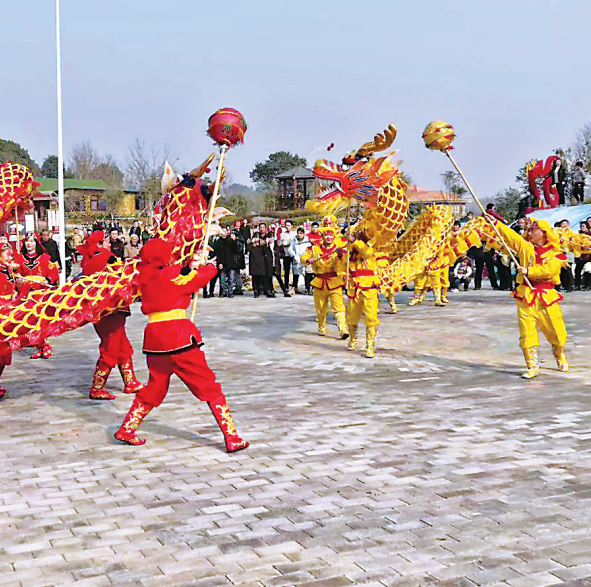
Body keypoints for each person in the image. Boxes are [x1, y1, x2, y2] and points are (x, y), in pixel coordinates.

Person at [113, 238, 249, 452]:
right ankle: (231, 436)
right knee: (209, 387)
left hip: (154, 340)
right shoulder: (172, 276)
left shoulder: (144, 279)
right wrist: (211, 265)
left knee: (155, 387)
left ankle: (128, 428)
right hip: (178, 338)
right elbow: (200, 279)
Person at [488, 219, 569, 378]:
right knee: (527, 332)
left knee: (557, 332)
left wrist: (528, 270)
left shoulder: (555, 253)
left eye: (534, 230)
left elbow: (549, 270)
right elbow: (512, 237)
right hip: (526, 295)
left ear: (544, 233)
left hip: (546, 296)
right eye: (529, 230)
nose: (529, 232)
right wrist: (496, 224)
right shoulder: (525, 248)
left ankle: (559, 355)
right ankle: (532, 365)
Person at [77, 231, 145, 399]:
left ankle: (130, 382)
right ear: (99, 244)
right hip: (108, 312)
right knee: (111, 347)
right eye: (106, 241)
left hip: (109, 311)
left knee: (122, 345)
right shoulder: (104, 259)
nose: (109, 244)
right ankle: (97, 388)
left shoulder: (93, 260)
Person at [15, 233, 59, 359]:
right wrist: (17, 279)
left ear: (36, 243)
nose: (29, 244)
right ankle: (40, 347)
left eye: (32, 241)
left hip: (40, 294)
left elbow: (53, 272)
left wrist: (47, 279)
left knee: (41, 321)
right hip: (26, 294)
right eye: (27, 241)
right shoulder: (19, 258)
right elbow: (15, 273)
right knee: (31, 322)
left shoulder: (45, 258)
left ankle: (44, 346)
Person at [301, 226, 348, 339]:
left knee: (339, 308)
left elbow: (344, 262)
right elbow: (303, 257)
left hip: (334, 282)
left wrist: (341, 256)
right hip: (319, 282)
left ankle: (343, 330)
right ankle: (322, 327)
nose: (329, 237)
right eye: (326, 235)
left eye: (331, 235)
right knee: (321, 308)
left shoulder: (338, 249)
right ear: (323, 236)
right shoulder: (314, 249)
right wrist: (308, 260)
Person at [344, 229, 380, 358]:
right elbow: (342, 266)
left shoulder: (371, 249)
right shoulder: (350, 252)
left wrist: (355, 242)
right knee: (352, 317)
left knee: (371, 318)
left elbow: (366, 253)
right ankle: (353, 339)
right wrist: (343, 275)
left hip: (369, 288)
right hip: (354, 289)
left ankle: (370, 346)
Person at [0, 242, 22, 399]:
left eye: (10, 254)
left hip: (8, 315)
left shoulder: (8, 271)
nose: (10, 257)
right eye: (6, 254)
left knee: (4, 353)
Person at [289, 227, 310, 294]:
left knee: (306, 275)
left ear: (303, 234)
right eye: (298, 233)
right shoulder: (294, 241)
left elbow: (309, 249)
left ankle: (307, 288)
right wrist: (294, 255)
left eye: (300, 233)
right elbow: (290, 249)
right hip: (297, 259)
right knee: (296, 275)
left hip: (305, 259)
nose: (299, 235)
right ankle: (295, 287)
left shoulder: (307, 241)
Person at [278, 220, 296, 290]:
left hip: (293, 254)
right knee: (286, 270)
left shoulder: (294, 234)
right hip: (286, 254)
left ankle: (294, 285)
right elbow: (283, 243)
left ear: (291, 226)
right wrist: (288, 242)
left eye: (288, 225)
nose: (287, 227)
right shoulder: (282, 234)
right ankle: (286, 285)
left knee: (295, 270)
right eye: (286, 225)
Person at [574, 222, 590, 290]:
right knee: (577, 270)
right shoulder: (579, 235)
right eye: (581, 226)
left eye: (583, 226)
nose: (582, 228)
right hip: (582, 255)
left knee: (588, 270)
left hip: (589, 255)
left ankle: (587, 285)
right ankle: (577, 285)